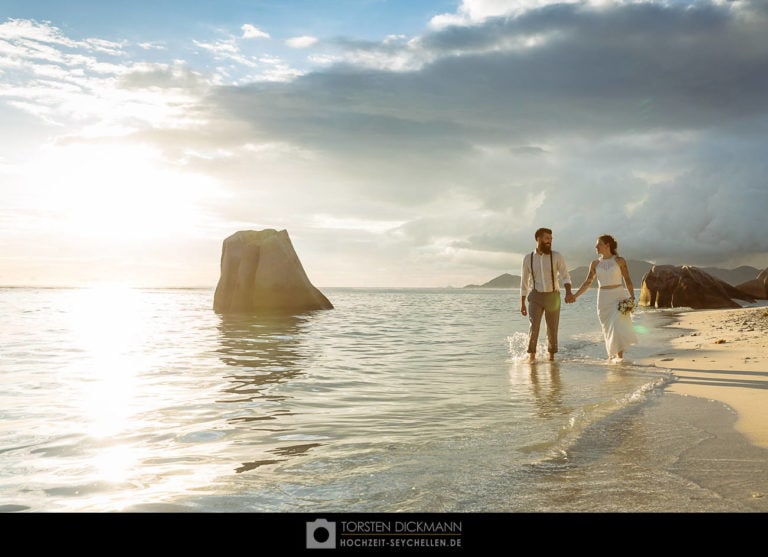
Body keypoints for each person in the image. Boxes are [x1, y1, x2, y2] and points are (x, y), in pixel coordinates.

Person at [572, 234, 638, 361]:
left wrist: (632, 297)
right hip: (603, 300)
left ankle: (619, 358)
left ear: (607, 245)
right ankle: (612, 355)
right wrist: (575, 295)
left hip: (619, 297)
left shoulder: (620, 261)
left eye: (599, 244)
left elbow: (627, 279)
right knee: (608, 328)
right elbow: (588, 282)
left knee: (617, 325)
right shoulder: (595, 264)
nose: (596, 246)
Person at [520, 227, 574, 362]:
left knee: (552, 327)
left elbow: (565, 276)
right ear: (538, 239)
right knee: (534, 326)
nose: (549, 241)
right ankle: (531, 357)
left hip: (553, 296)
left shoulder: (556, 256)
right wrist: (522, 303)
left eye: (551, 239)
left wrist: (568, 292)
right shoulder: (528, 258)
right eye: (546, 238)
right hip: (535, 296)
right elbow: (524, 281)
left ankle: (551, 358)